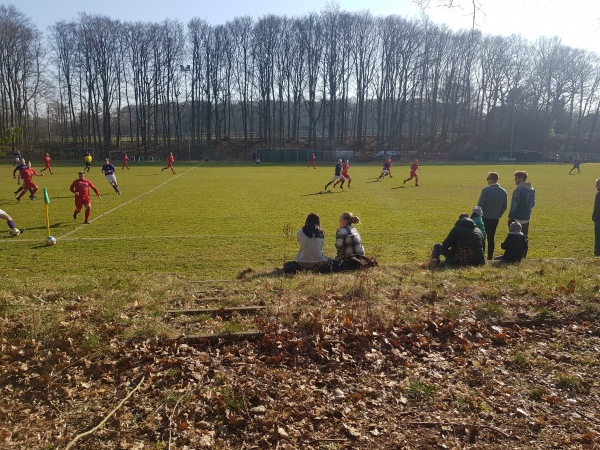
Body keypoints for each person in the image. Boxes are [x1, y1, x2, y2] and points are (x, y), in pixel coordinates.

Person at [477, 172, 508, 260]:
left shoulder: (486, 190)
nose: (487, 180)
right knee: (491, 237)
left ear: (491, 179)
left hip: (484, 217)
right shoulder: (503, 191)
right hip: (495, 218)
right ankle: (490, 256)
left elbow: (480, 205)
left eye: (488, 178)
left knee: (482, 236)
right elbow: (504, 206)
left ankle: (481, 255)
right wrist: (498, 215)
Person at [508, 170, 535, 237]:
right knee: (524, 237)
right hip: (527, 218)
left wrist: (510, 217)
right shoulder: (531, 190)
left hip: (517, 218)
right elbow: (533, 203)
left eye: (516, 178)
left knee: (515, 237)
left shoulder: (518, 190)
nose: (515, 180)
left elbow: (514, 206)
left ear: (521, 179)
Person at [593, 178, 600, 256]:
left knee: (598, 238)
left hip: (599, 221)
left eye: (597, 184)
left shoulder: (598, 195)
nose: (596, 186)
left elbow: (597, 209)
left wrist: (594, 218)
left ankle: (597, 254)